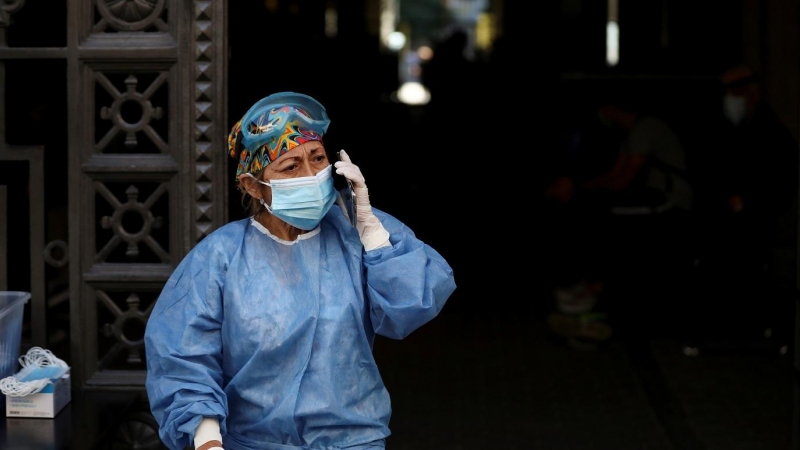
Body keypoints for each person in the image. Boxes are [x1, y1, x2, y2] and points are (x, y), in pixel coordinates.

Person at [143, 92, 457, 450]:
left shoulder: (356, 233)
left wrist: (372, 233)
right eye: (290, 167)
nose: (311, 175)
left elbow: (411, 307)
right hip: (250, 443)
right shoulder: (220, 256)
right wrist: (207, 439)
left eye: (318, 159)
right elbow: (183, 357)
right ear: (252, 184)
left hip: (352, 441)